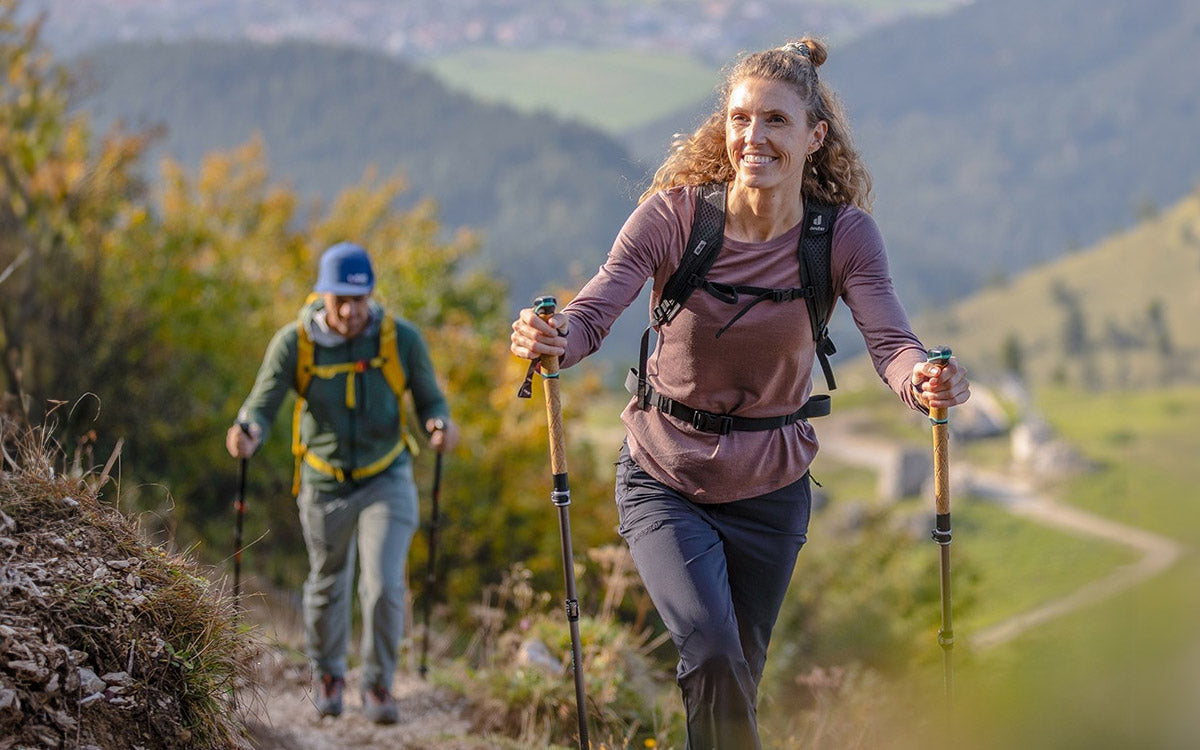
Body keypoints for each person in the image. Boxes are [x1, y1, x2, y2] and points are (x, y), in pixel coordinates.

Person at [510, 38, 970, 748]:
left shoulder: (843, 238)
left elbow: (892, 345)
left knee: (736, 677)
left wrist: (923, 380)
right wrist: (552, 336)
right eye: (740, 119)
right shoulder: (673, 219)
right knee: (713, 653)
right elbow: (593, 313)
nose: (753, 136)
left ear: (815, 137)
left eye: (776, 120)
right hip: (664, 475)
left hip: (772, 489)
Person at [226, 241, 459, 724]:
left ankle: (377, 685)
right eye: (341, 300)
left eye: (360, 299)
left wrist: (439, 426)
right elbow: (261, 405)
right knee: (328, 581)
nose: (351, 312)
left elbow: (430, 401)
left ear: (371, 294)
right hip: (323, 479)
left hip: (386, 477)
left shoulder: (401, 340)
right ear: (323, 296)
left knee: (383, 585)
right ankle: (328, 675)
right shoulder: (295, 343)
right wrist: (247, 432)